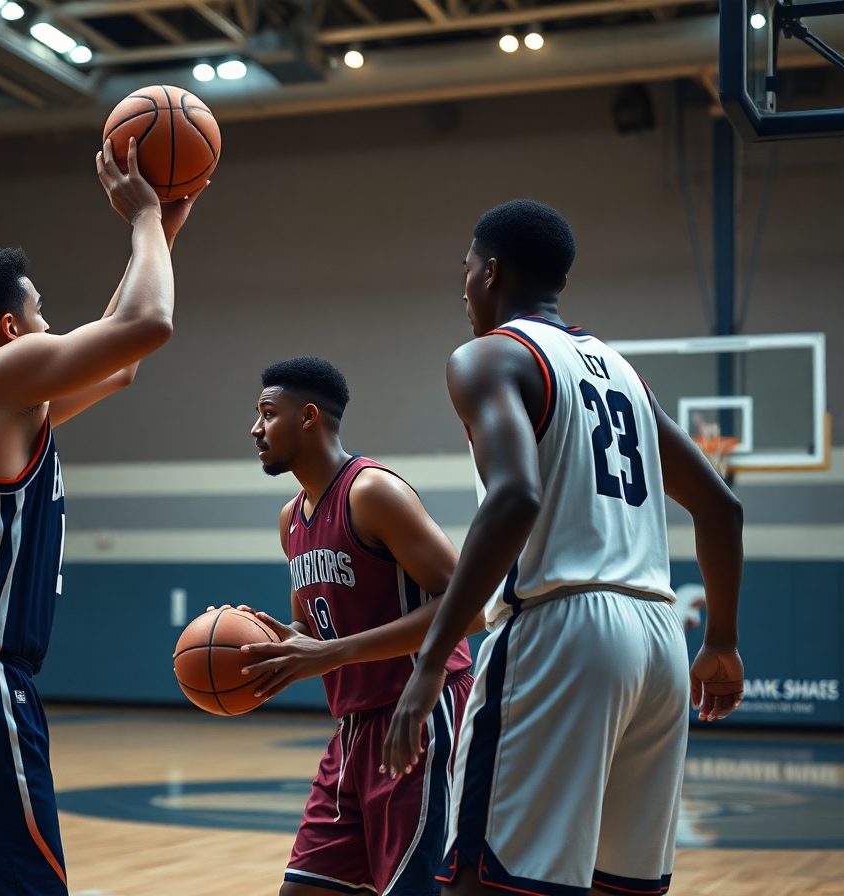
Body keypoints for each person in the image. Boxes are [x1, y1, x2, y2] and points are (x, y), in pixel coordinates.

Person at [381, 200, 745, 896]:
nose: (462, 288)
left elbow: (515, 496)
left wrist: (430, 665)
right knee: (618, 886)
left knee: (487, 881)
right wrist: (721, 641)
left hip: (562, 631)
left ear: (490, 272)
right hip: (660, 644)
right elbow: (721, 508)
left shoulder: (488, 356)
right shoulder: (623, 375)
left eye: (465, 270)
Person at [0, 138, 204, 896]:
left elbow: (119, 361)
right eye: (41, 311)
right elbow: (150, 324)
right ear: (11, 331)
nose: (54, 323)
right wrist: (144, 218)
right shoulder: (1, 383)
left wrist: (164, 230)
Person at [241, 357, 480, 896]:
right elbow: (311, 626)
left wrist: (335, 654)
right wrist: (274, 641)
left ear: (308, 417)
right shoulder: (291, 519)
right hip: (353, 731)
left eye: (267, 414)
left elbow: (470, 604)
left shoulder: (372, 493)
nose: (255, 428)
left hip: (420, 716)